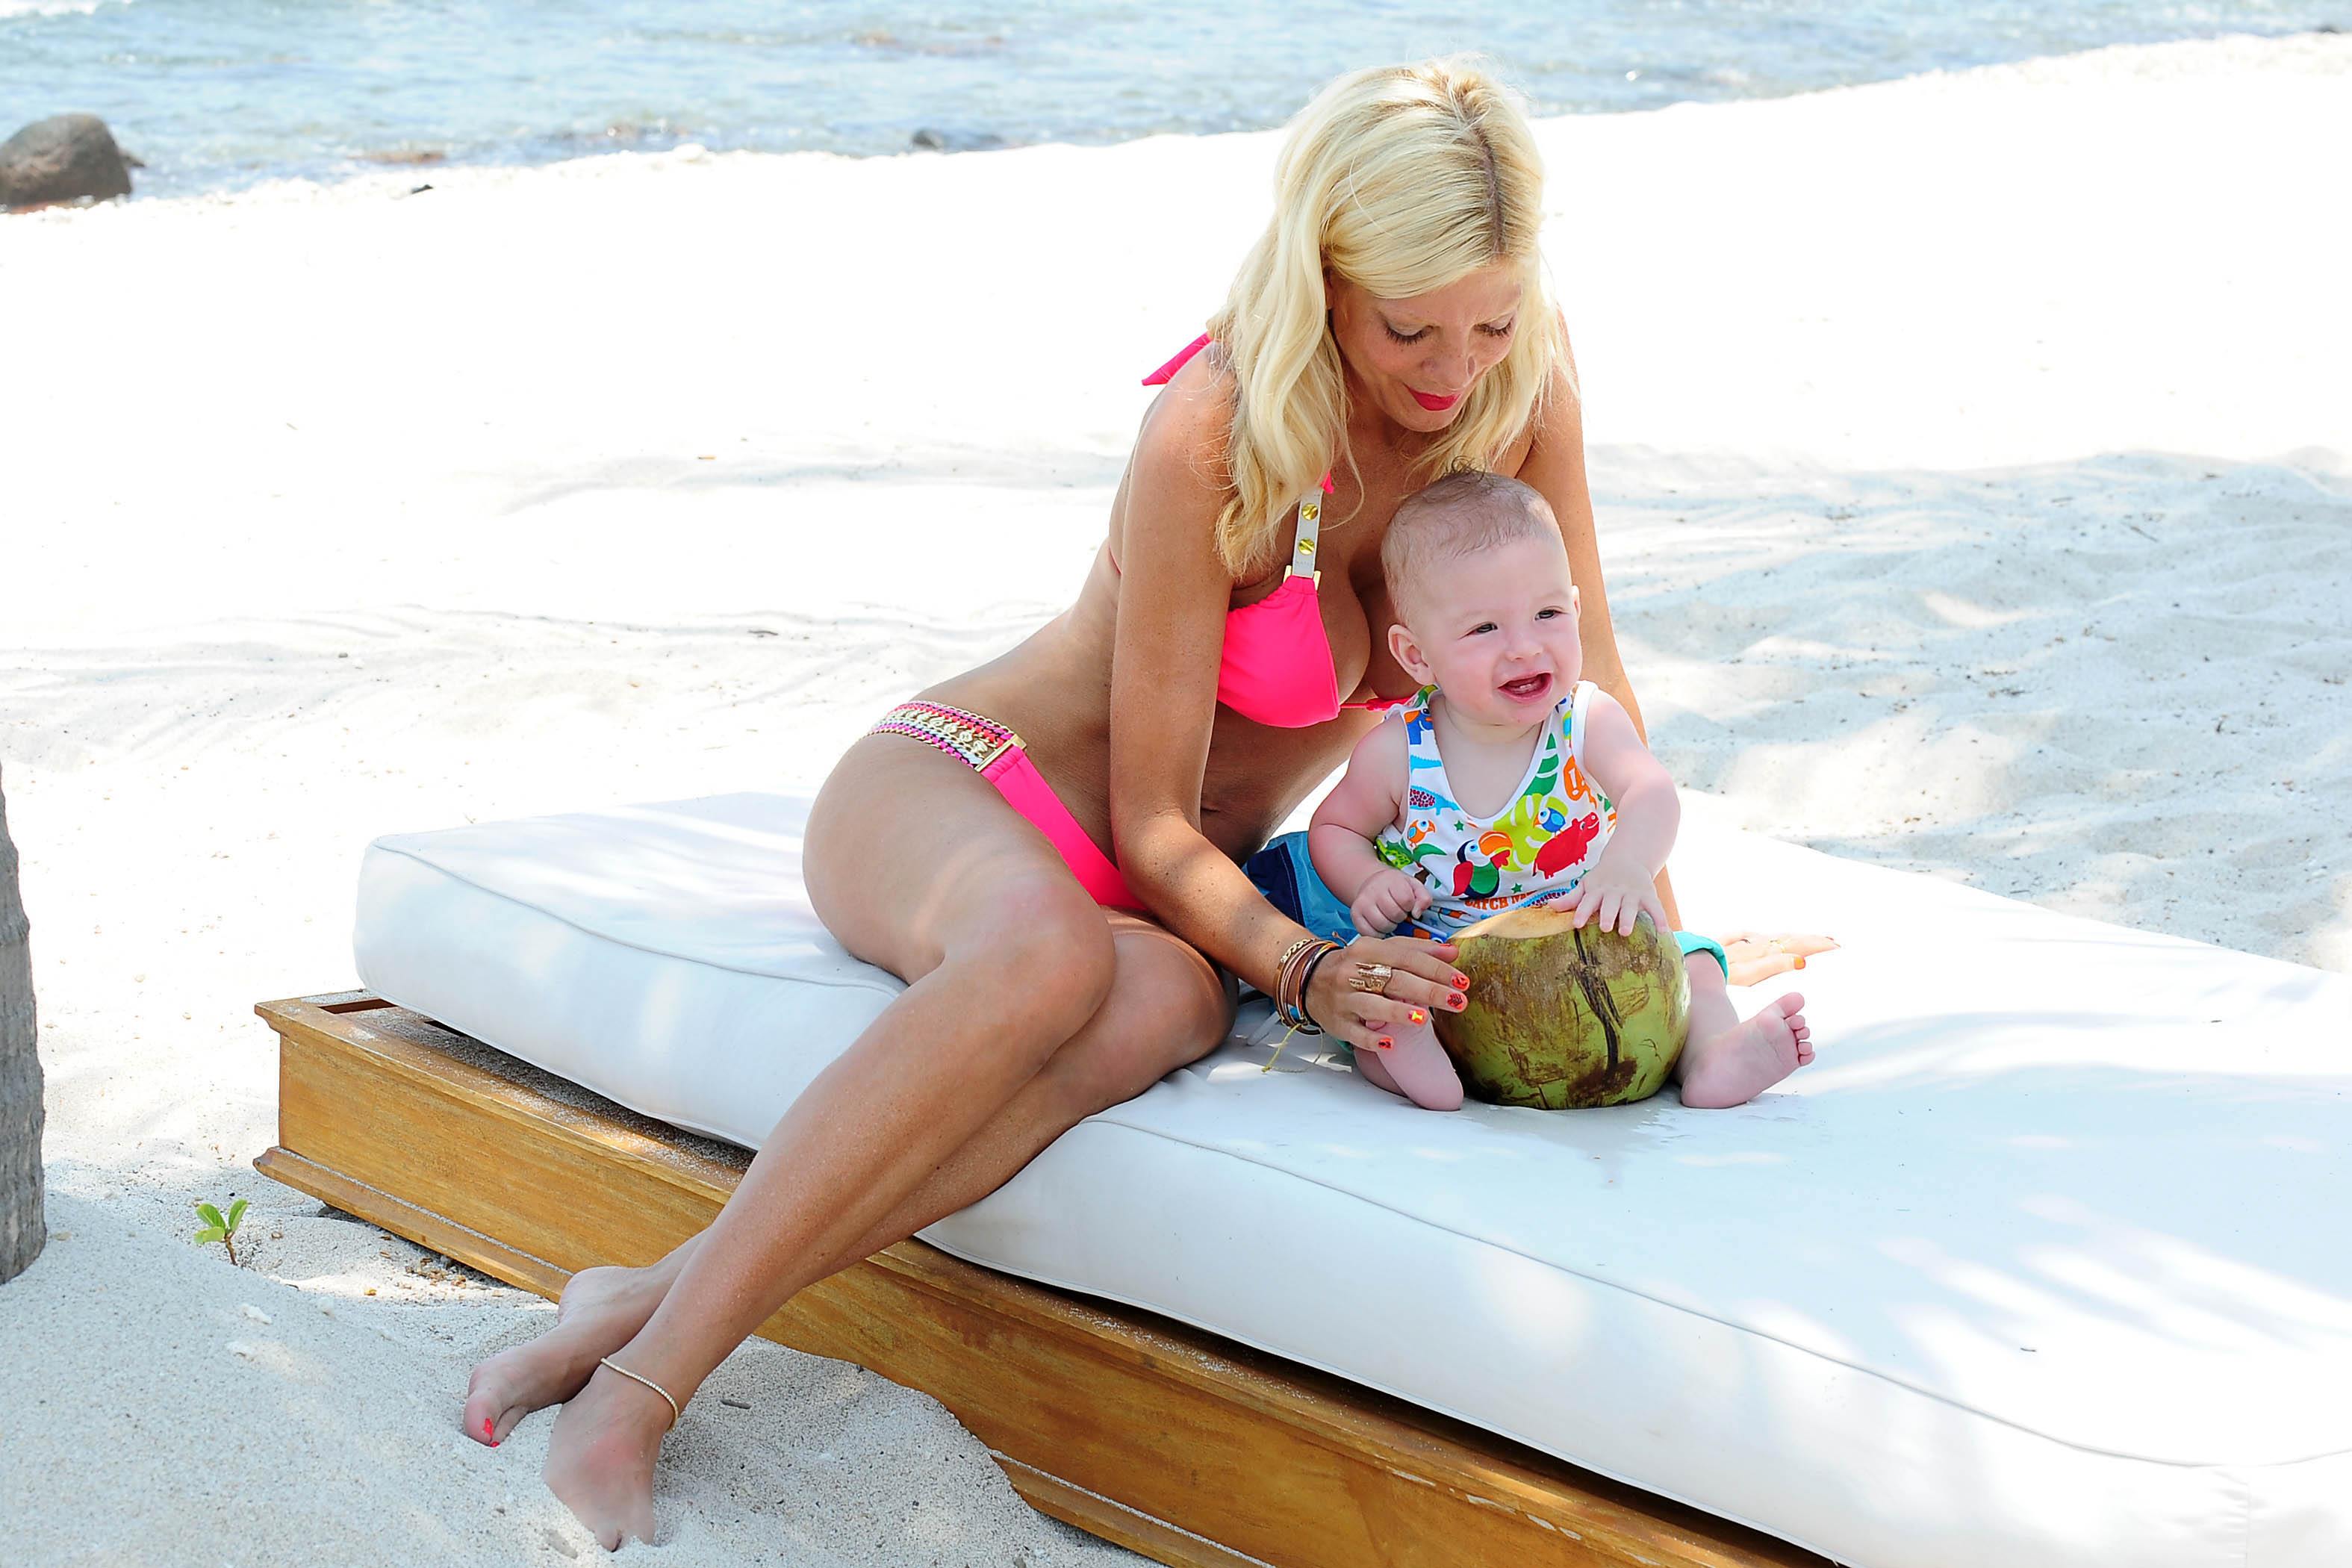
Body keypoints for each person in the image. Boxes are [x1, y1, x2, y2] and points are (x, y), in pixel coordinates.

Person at [457, 57, 1834, 1547]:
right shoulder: (1220, 426)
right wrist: (1307, 967)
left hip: (1177, 907)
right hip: (962, 790)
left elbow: (1595, 698)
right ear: (1328, 274)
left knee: (1163, 1008)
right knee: (1049, 959)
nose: (1455, 364)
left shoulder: (1518, 386)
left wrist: (1661, 966)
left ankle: (640, 1298)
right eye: (1408, 324)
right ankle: (640, 1392)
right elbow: (1148, 819)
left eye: (1492, 317)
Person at [1306, 470, 1813, 1110]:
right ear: (1417, 656)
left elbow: (1652, 791)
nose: (1524, 648)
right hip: (1450, 967)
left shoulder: (1583, 723)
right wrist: (1366, 882)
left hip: (1600, 945)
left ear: (1575, 610)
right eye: (1483, 629)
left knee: (1697, 964)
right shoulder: (1399, 752)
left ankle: (1713, 1055)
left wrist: (1628, 869)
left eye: (1547, 614)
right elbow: (1334, 828)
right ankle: (1413, 1061)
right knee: (1385, 993)